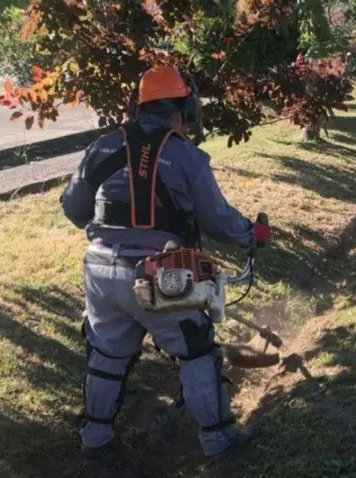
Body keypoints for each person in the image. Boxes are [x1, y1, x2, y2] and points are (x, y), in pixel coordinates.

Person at [60, 65, 258, 468]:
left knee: (106, 354)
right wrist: (251, 235)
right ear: (186, 108)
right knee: (196, 350)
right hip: (161, 274)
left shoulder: (102, 147)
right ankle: (219, 441)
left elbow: (74, 209)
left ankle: (96, 438)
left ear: (139, 106)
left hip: (100, 269)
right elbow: (217, 220)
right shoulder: (186, 155)